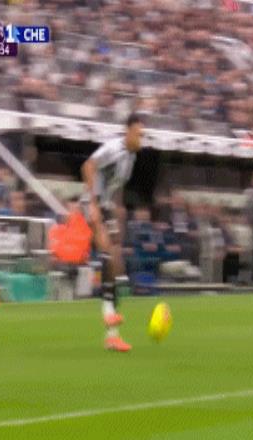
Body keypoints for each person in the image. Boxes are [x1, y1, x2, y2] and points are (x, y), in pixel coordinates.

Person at [81, 114, 143, 352]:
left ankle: (112, 336)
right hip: (92, 201)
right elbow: (88, 166)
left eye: (142, 135)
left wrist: (117, 209)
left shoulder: (131, 157)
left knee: (116, 261)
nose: (140, 139)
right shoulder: (113, 148)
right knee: (106, 250)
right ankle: (108, 313)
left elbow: (116, 186)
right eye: (138, 134)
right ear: (127, 132)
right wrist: (92, 203)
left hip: (106, 205)